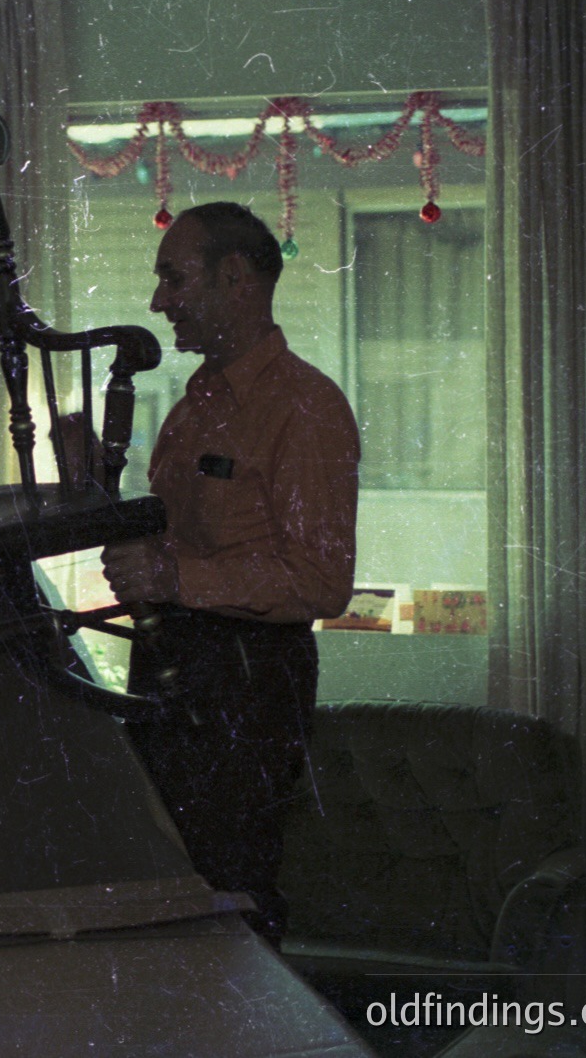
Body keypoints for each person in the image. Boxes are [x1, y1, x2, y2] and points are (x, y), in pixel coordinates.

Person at [100, 202, 360, 944]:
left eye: (172, 278)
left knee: (230, 894)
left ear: (235, 278)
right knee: (173, 892)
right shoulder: (199, 402)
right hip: (175, 663)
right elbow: (180, 539)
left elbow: (319, 581)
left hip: (246, 679)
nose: (158, 302)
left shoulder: (304, 409)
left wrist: (175, 579)